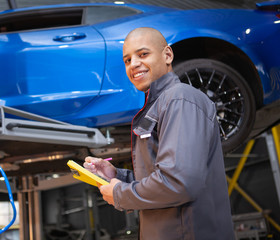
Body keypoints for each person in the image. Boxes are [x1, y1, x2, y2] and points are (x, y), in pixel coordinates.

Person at [84, 27, 235, 240]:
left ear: (167, 55)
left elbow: (178, 183)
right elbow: (161, 177)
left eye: (143, 54)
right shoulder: (160, 104)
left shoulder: (179, 99)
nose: (133, 64)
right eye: (127, 60)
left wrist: (120, 194)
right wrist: (116, 176)